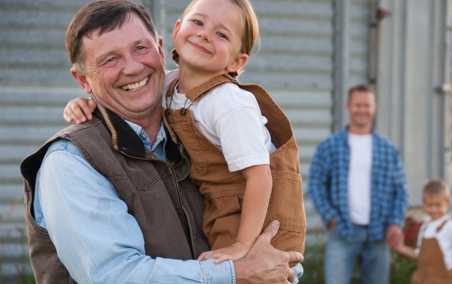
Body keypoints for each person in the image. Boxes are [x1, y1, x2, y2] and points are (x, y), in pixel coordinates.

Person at [20, 1, 303, 283]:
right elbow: (115, 276)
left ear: (160, 49)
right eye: (110, 59)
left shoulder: (196, 121)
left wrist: (268, 265)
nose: (132, 68)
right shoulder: (70, 160)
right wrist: (237, 273)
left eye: (140, 48)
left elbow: (277, 264)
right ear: (83, 80)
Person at [308, 84, 409, 284]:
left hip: (378, 232)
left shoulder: (387, 149)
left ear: (374, 107)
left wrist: (395, 223)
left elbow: (401, 191)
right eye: (357, 105)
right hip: (342, 230)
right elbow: (316, 185)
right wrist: (331, 216)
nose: (362, 110)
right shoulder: (330, 146)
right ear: (348, 106)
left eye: (366, 105)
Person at [394, 179, 452, 284]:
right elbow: (420, 254)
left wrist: (447, 267)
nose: (434, 209)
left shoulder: (451, 226)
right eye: (430, 205)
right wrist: (400, 247)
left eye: (438, 205)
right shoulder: (425, 227)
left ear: (447, 203)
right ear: (424, 204)